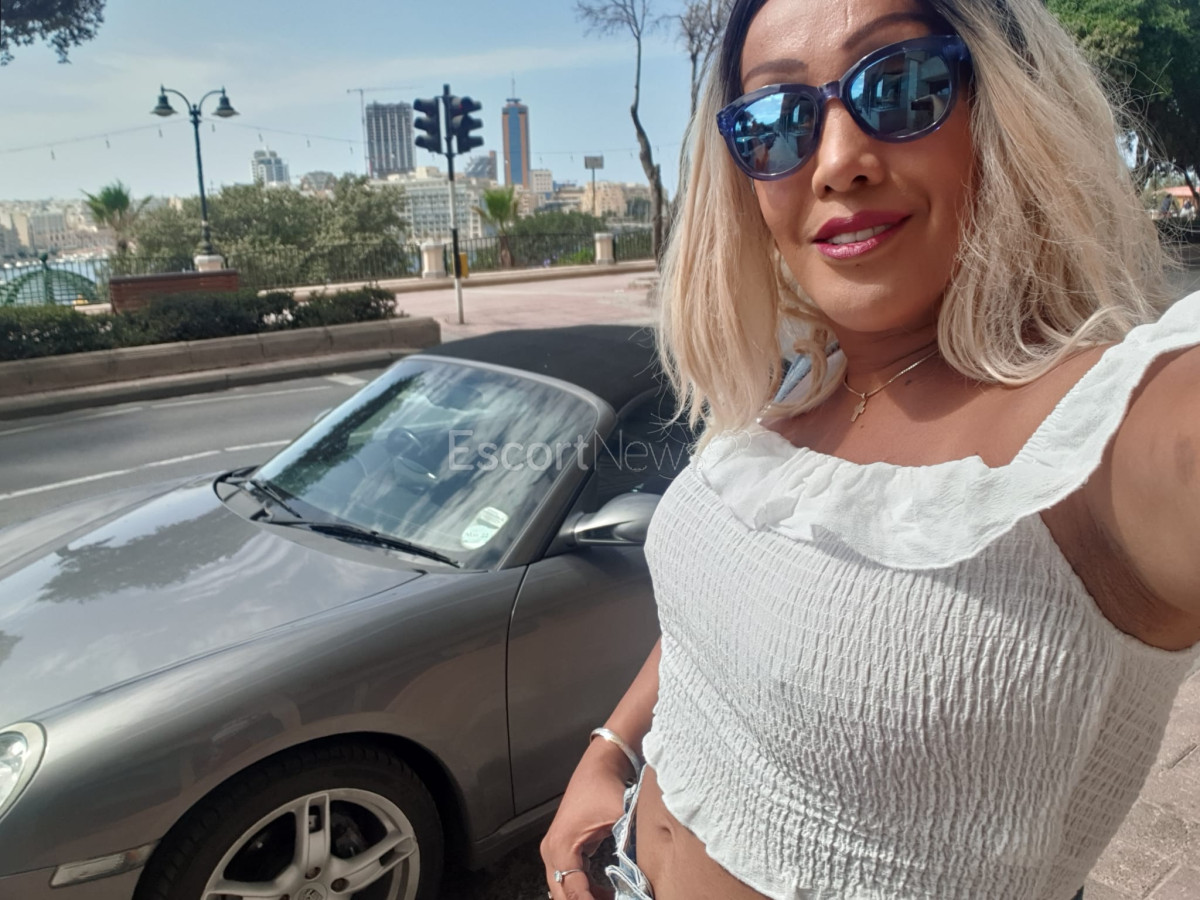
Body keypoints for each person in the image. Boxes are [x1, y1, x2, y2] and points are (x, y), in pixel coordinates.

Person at [541, 0, 1200, 897]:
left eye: (900, 87)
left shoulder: (1104, 432)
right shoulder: (799, 387)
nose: (837, 161)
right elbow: (724, 610)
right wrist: (609, 751)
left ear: (1005, 108)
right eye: (777, 121)